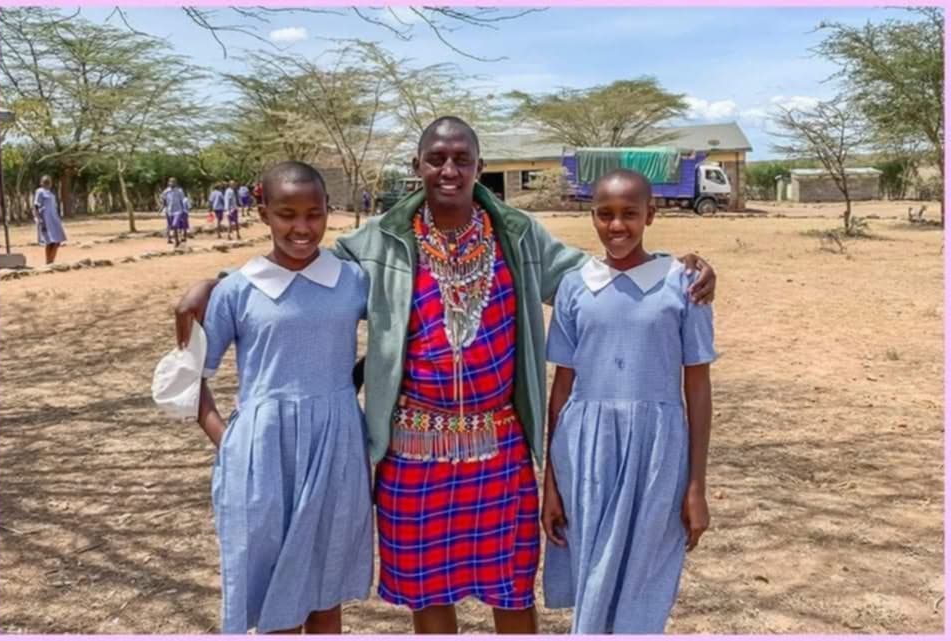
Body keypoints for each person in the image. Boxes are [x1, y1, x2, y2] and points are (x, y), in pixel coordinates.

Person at [172, 116, 717, 634]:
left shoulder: (519, 235)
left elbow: (601, 272)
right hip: (412, 450)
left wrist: (676, 269)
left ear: (480, 166)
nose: (449, 170)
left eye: (462, 159)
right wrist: (221, 281)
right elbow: (304, 261)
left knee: (511, 589)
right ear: (418, 166)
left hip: (499, 443)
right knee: (428, 591)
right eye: (436, 159)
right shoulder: (382, 240)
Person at [191, 161, 372, 633]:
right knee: (273, 589)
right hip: (262, 449)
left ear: (328, 211)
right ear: (263, 213)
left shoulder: (353, 281)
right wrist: (228, 441)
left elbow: (396, 341)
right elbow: (192, 377)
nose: (302, 227)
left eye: (314, 214)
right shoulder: (237, 290)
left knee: (325, 585)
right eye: (286, 214)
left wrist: (349, 386)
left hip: (336, 445)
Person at [541, 169, 716, 634]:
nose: (616, 225)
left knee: (646, 574)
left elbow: (698, 388)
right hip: (586, 450)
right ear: (592, 216)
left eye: (629, 214)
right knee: (593, 571)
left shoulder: (684, 285)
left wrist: (696, 486)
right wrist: (551, 486)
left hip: (657, 451)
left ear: (651, 215)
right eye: (605, 214)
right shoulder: (575, 286)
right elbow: (562, 389)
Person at [33, 175, 66, 265]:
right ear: (41, 183)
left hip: (54, 219)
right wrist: (38, 218)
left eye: (48, 182)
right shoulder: (40, 191)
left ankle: (51, 261)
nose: (47, 183)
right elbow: (36, 205)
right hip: (45, 219)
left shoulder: (51, 194)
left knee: (57, 241)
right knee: (49, 241)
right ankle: (49, 262)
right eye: (45, 182)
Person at [162, 177, 187, 247]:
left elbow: (182, 201)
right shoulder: (166, 191)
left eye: (173, 182)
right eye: (171, 182)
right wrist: (165, 208)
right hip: (169, 211)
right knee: (170, 226)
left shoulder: (179, 191)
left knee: (175, 225)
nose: (172, 183)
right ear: (168, 183)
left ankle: (176, 241)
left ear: (176, 183)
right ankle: (176, 240)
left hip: (178, 210)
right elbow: (163, 200)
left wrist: (184, 210)